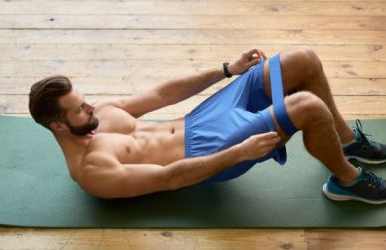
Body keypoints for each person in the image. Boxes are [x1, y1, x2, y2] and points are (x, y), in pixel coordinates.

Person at [28, 46, 386, 203]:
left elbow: (162, 94)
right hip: (210, 150)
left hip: (200, 119)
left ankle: (344, 141)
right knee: (306, 106)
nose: (90, 107)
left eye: (83, 99)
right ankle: (346, 180)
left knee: (300, 59)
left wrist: (227, 70)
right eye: (78, 109)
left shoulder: (98, 114)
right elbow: (170, 179)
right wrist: (237, 154)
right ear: (58, 127)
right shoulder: (93, 172)